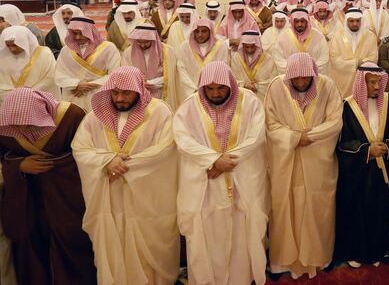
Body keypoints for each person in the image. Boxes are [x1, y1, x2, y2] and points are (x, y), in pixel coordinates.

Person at [72, 67, 179, 284]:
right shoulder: (96, 116)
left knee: (148, 252)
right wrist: (106, 162)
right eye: (115, 93)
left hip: (147, 200)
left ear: (138, 90)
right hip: (109, 200)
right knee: (114, 248)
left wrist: (121, 167)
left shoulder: (159, 112)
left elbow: (165, 148)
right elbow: (80, 148)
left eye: (126, 93)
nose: (120, 99)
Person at [173, 61, 268, 285]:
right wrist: (213, 160)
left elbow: (256, 136)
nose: (216, 94)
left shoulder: (250, 102)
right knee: (207, 235)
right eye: (210, 89)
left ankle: (241, 279)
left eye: (221, 88)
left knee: (241, 233)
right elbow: (182, 138)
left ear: (230, 85)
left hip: (242, 180)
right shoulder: (189, 107)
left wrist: (227, 162)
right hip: (205, 183)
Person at [0, 88, 95, 284]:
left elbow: (88, 155)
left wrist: (58, 165)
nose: (23, 130)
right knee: (31, 244)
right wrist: (20, 165)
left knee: (72, 241)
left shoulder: (71, 117)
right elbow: (3, 159)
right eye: (17, 125)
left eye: (29, 124)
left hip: (67, 198)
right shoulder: (5, 127)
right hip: (28, 199)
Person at [264, 53, 343, 279]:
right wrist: (293, 138)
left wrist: (310, 137)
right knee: (283, 208)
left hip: (318, 162)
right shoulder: (276, 88)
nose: (300, 82)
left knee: (317, 209)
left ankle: (319, 257)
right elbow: (271, 124)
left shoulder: (327, 86)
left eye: (305, 79)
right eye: (295, 79)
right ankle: (282, 262)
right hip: (285, 163)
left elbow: (335, 121)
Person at [334, 63, 389, 267]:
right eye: (372, 82)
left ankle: (380, 250)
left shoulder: (388, 101)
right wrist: (366, 151)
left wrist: (386, 148)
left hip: (384, 169)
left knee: (383, 209)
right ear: (362, 83)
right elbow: (343, 142)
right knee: (358, 210)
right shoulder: (348, 106)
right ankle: (357, 252)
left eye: (379, 82)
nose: (376, 87)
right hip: (359, 172)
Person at [54, 17, 121, 110]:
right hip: (73, 95)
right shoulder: (66, 50)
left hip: (99, 94)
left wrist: (91, 85)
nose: (77, 37)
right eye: (74, 33)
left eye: (81, 33)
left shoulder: (108, 48)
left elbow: (115, 74)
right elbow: (59, 74)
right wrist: (76, 84)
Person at [122, 24, 180, 110]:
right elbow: (125, 74)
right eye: (139, 42)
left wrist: (153, 83)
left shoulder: (168, 51)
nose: (143, 45)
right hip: (137, 94)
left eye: (146, 42)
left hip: (161, 93)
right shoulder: (128, 52)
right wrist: (140, 83)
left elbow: (172, 76)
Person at [0, 25, 58, 105]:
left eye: (15, 45)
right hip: (9, 105)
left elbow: (50, 80)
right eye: (8, 46)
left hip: (38, 104)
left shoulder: (44, 54)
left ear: (25, 42)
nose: (11, 49)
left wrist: (26, 95)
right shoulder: (2, 57)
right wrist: (15, 96)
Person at [176, 18, 230, 102]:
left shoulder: (221, 47)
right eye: (197, 31)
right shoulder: (185, 47)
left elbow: (223, 71)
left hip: (213, 94)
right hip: (191, 93)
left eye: (203, 31)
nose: (200, 35)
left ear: (210, 31)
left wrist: (208, 90)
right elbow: (181, 70)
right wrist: (194, 90)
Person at [329, 8, 378, 99]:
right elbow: (334, 59)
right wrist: (356, 63)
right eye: (351, 21)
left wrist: (360, 63)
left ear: (361, 21)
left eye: (357, 21)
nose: (355, 24)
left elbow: (373, 58)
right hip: (343, 83)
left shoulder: (370, 36)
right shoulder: (337, 36)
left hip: (364, 80)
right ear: (346, 21)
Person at [273, 8, 330, 74]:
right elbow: (279, 59)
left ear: (307, 21)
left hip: (313, 76)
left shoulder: (318, 35)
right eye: (297, 21)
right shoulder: (283, 36)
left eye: (302, 21)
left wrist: (309, 70)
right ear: (292, 22)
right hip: (291, 76)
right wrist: (295, 70)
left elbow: (324, 57)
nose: (299, 24)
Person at [231, 30, 276, 101]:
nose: (249, 50)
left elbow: (273, 82)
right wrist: (243, 85)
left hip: (262, 99)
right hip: (242, 98)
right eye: (246, 47)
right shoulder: (236, 58)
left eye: (252, 47)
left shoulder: (268, 59)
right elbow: (231, 80)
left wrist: (258, 87)